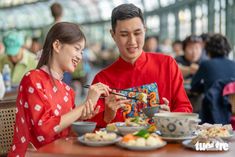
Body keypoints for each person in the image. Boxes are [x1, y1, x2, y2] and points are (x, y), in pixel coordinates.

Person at [8, 22, 111, 157]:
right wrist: (84, 106)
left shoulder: (68, 91)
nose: (80, 56)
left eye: (81, 51)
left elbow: (67, 134)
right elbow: (44, 130)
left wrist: (85, 115)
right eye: (77, 48)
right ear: (57, 45)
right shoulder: (32, 78)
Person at [89, 3, 192, 128]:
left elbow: (185, 108)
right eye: (124, 34)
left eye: (137, 33)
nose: (132, 41)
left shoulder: (167, 65)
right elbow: (90, 126)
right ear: (113, 35)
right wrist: (107, 116)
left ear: (145, 30)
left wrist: (170, 116)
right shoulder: (102, 80)